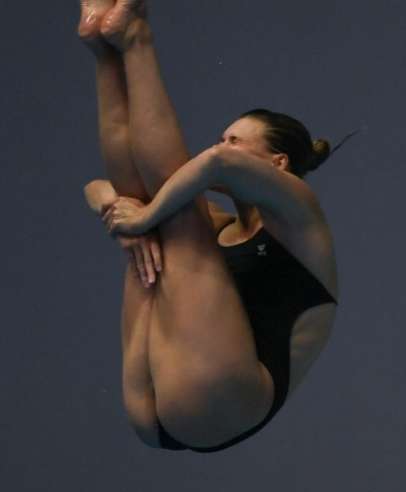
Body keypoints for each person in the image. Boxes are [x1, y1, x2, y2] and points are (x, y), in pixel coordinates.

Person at [78, 0, 339, 452]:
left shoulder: (301, 215)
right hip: (155, 404)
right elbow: (95, 187)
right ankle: (103, 48)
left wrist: (143, 215)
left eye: (235, 140)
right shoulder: (215, 224)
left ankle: (136, 37)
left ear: (277, 163)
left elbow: (215, 165)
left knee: (166, 214)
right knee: (148, 205)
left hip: (225, 400)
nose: (217, 147)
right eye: (221, 138)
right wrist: (121, 210)